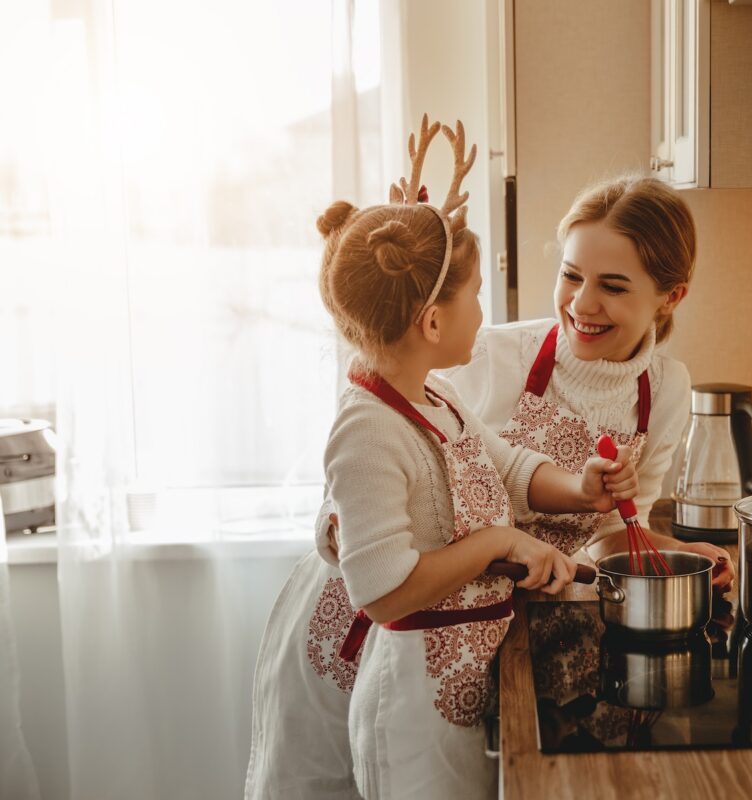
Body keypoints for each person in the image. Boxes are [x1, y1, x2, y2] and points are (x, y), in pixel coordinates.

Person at [245, 116, 637, 800]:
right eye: (476, 294)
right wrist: (498, 542)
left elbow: (510, 469)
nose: (484, 312)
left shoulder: (436, 396)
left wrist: (583, 490)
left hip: (456, 682)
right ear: (431, 323)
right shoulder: (368, 428)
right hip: (411, 696)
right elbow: (385, 590)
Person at [440, 174, 733, 585]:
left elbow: (612, 533)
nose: (581, 304)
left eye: (612, 287)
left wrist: (682, 554)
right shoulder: (487, 356)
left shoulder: (666, 389)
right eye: (572, 276)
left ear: (671, 296)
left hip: (537, 617)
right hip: (442, 606)